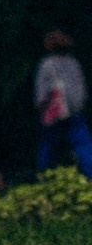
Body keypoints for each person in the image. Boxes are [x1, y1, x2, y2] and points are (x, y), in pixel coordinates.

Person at [34, 31, 92, 178]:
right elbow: (82, 89)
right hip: (74, 111)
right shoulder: (74, 64)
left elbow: (42, 93)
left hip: (54, 112)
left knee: (48, 147)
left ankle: (45, 177)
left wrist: (41, 107)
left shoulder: (47, 65)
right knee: (84, 146)